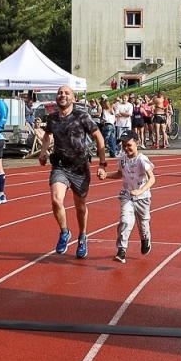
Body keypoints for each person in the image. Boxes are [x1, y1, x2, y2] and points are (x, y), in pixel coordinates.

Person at [36, 85, 109, 258]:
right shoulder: (52, 118)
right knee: (56, 199)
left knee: (80, 207)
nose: (62, 95)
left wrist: (102, 162)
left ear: (73, 98)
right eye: (60, 93)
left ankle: (82, 236)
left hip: (79, 167)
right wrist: (43, 152)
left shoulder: (82, 116)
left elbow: (98, 136)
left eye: (66, 93)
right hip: (60, 165)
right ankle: (64, 232)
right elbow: (47, 135)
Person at [108, 131, 155, 263]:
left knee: (143, 224)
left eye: (129, 145)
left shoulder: (142, 159)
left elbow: (152, 179)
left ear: (137, 143)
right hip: (127, 196)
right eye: (123, 145)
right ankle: (121, 251)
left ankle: (145, 239)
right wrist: (106, 175)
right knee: (125, 222)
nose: (126, 148)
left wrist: (140, 191)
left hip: (143, 198)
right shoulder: (123, 159)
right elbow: (119, 174)